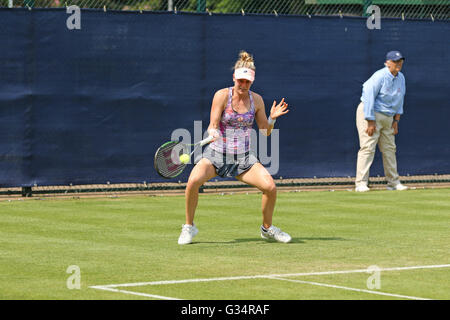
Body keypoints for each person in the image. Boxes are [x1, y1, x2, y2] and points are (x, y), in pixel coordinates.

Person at [178, 50, 291, 245]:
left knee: (270, 187)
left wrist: (272, 118)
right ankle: (189, 227)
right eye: (240, 81)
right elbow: (213, 122)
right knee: (193, 181)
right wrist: (213, 131)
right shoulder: (222, 95)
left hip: (244, 158)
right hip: (216, 154)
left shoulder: (257, 100)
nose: (243, 85)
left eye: (247, 82)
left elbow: (265, 131)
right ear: (234, 78)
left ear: (252, 81)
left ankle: (267, 228)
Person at [355, 50, 408, 192]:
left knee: (390, 149)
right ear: (387, 63)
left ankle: (393, 183)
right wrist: (370, 120)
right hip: (370, 113)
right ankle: (361, 184)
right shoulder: (380, 76)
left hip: (388, 118)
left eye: (400, 61)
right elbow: (368, 95)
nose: (398, 64)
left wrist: (396, 120)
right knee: (367, 147)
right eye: (395, 61)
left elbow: (400, 99)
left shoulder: (401, 78)